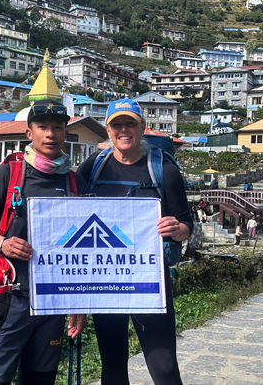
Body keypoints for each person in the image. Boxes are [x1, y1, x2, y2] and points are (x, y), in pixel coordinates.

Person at [77, 98, 192, 385]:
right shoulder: (93, 167)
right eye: (117, 125)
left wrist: (178, 229)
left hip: (149, 282)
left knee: (164, 368)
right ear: (108, 129)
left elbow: (187, 222)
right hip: (106, 282)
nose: (124, 130)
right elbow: (70, 212)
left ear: (143, 127)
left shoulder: (163, 170)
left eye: (130, 123)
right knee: (113, 366)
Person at [0, 99, 86, 385]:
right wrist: (2, 243)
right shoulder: (8, 175)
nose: (50, 134)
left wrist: (78, 304)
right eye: (43, 127)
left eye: (57, 128)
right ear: (29, 133)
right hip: (10, 299)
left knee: (40, 380)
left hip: (53, 304)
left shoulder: (74, 183)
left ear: (65, 133)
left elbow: (82, 248)